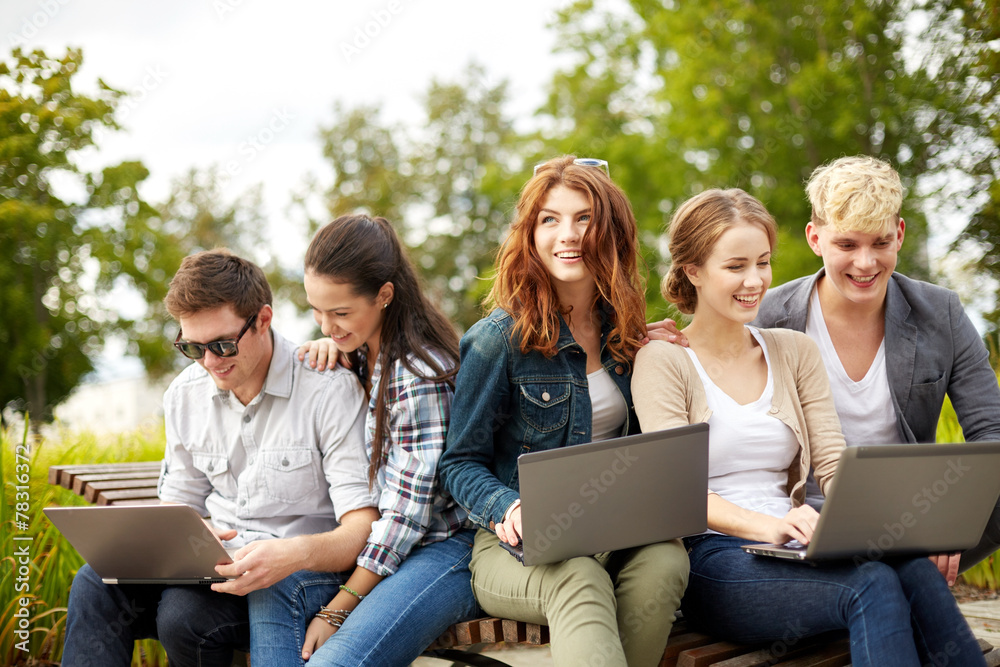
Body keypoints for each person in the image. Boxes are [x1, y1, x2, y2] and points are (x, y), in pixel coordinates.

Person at [633, 188, 985, 667]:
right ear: (693, 271)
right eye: (735, 266)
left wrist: (858, 526)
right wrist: (771, 526)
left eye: (763, 262)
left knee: (912, 568)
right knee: (872, 586)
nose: (754, 280)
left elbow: (833, 462)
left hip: (798, 542)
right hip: (715, 557)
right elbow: (675, 494)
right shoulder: (664, 361)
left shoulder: (793, 350)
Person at [61, 249, 378, 667]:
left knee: (183, 616)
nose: (209, 362)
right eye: (192, 347)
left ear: (263, 319)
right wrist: (193, 531)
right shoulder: (184, 394)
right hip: (213, 572)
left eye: (223, 345)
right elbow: (179, 504)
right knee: (95, 581)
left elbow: (363, 526)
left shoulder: (327, 390)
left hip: (296, 580)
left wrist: (292, 554)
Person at [439, 156, 690, 667]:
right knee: (580, 578)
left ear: (611, 232)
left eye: (584, 218)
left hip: (614, 532)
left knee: (666, 561)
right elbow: (458, 462)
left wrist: (648, 345)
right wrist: (509, 508)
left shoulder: (626, 334)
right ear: (530, 235)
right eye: (549, 220)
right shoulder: (498, 341)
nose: (567, 235)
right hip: (515, 548)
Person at [752, 155, 1000, 574]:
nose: (866, 264)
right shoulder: (767, 314)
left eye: (880, 243)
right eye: (847, 245)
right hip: (801, 519)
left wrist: (944, 521)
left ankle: (906, 577)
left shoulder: (941, 313)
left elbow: (991, 431)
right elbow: (703, 352)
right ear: (815, 238)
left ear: (899, 234)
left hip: (910, 517)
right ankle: (899, 587)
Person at [285, 215, 478, 667]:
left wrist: (339, 608)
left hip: (444, 549)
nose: (327, 324)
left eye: (341, 312)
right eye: (317, 310)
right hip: (396, 547)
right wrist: (336, 344)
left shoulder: (418, 374)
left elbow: (408, 520)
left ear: (385, 295)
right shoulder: (362, 355)